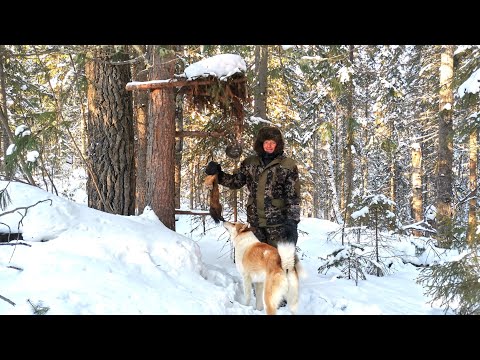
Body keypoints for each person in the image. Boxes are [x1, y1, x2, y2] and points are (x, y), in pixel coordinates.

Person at [205, 125, 300, 250]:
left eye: (273, 142)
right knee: (257, 263)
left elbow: (293, 197)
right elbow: (235, 182)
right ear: (261, 144)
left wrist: (292, 223)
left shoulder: (288, 165)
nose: (269, 146)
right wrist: (218, 173)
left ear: (278, 144)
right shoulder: (250, 163)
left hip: (278, 225)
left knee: (279, 263)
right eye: (266, 142)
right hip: (255, 224)